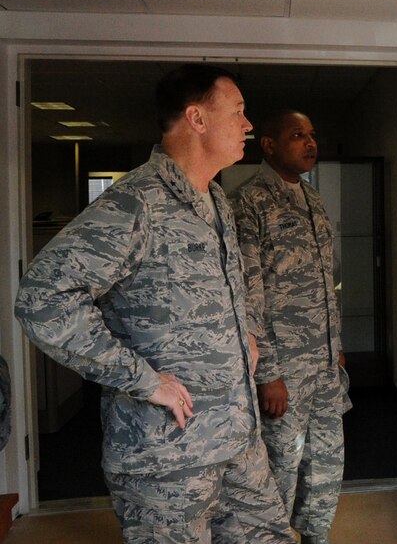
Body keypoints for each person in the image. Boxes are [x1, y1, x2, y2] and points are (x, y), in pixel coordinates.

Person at [14, 64, 296, 543]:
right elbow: (43, 300)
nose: (248, 125)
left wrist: (244, 332)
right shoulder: (135, 203)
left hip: (236, 441)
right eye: (238, 112)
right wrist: (143, 379)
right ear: (197, 118)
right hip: (167, 458)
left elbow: (228, 287)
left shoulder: (216, 200)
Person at [231, 110, 351, 544]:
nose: (310, 143)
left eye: (313, 135)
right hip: (285, 369)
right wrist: (268, 373)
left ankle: (316, 537)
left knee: (326, 462)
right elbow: (248, 294)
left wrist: (336, 344)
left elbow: (327, 280)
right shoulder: (249, 202)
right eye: (298, 135)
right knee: (280, 466)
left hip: (323, 364)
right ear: (269, 145)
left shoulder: (312, 198)